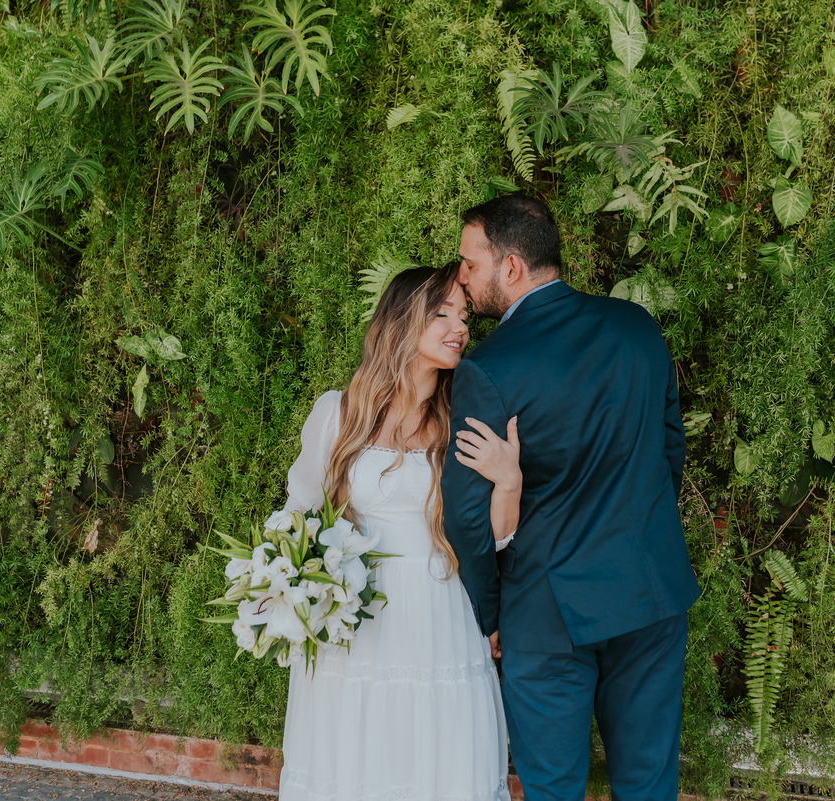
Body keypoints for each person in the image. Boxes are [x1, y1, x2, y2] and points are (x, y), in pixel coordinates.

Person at [441, 194, 701, 801]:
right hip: (650, 592)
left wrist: (489, 612)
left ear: (511, 268)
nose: (462, 278)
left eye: (470, 265)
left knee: (553, 789)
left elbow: (466, 514)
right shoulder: (638, 328)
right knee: (649, 786)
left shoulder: (488, 368)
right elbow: (669, 452)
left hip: (547, 613)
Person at [278, 262, 518, 801]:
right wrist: (294, 590)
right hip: (361, 619)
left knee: (440, 759)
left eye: (464, 316)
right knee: (359, 760)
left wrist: (508, 481)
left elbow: (493, 538)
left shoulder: (465, 418)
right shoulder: (339, 414)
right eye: (442, 315)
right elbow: (299, 517)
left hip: (443, 611)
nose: (460, 327)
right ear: (403, 322)